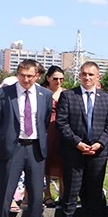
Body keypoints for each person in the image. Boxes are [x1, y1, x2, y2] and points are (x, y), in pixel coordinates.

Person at [0, 59, 53, 217]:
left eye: (29, 76)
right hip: (12, 147)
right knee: (6, 189)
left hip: (35, 146)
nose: (25, 79)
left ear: (37, 76)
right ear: (17, 74)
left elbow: (45, 119)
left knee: (36, 191)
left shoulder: (45, 94)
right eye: (22, 75)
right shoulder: (2, 94)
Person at [55, 62, 108, 217]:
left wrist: (100, 143)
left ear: (98, 77)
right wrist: (78, 143)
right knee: (72, 190)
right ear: (79, 76)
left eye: (91, 74)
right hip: (73, 152)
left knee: (96, 191)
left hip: (98, 152)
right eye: (84, 74)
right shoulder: (68, 96)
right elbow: (62, 123)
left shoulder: (106, 99)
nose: (87, 77)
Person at [42, 65, 65, 206]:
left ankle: (63, 194)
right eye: (55, 78)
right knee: (46, 163)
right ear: (48, 78)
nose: (58, 81)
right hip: (45, 129)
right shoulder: (42, 93)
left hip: (61, 130)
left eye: (61, 79)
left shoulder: (66, 93)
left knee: (62, 161)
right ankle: (47, 195)